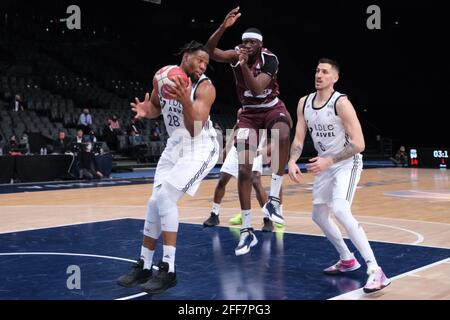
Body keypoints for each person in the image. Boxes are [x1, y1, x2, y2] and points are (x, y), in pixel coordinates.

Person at [117, 41, 219, 294]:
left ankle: (169, 269)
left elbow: (195, 128)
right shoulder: (163, 76)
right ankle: (144, 264)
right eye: (200, 60)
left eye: (206, 63)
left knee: (165, 198)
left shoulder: (205, 87)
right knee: (154, 202)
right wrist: (145, 110)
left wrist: (186, 100)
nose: (203, 66)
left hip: (200, 145)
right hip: (175, 144)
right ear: (186, 58)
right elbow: (154, 107)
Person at [287, 58, 390, 293]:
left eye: (325, 72)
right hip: (326, 164)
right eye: (317, 70)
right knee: (319, 215)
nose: (319, 75)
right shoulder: (304, 103)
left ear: (335, 78)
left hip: (346, 162)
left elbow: (360, 144)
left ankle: (376, 270)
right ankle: (347, 259)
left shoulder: (341, 103)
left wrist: (329, 160)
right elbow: (299, 138)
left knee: (341, 209)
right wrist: (292, 160)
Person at [206, 7, 292, 255]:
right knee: (244, 170)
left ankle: (274, 201)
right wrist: (223, 26)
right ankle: (246, 231)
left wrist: (242, 65)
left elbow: (256, 89)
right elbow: (210, 52)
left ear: (260, 45)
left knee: (283, 134)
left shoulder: (270, 59)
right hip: (249, 115)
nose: (247, 46)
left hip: (271, 108)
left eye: (252, 42)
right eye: (244, 42)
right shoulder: (236, 56)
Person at [203, 108, 277, 232]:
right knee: (222, 179)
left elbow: (274, 140)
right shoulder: (241, 111)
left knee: (255, 182)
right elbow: (236, 127)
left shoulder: (267, 113)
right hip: (237, 149)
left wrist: (263, 152)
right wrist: (227, 146)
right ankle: (214, 215)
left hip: (254, 150)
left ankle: (268, 219)